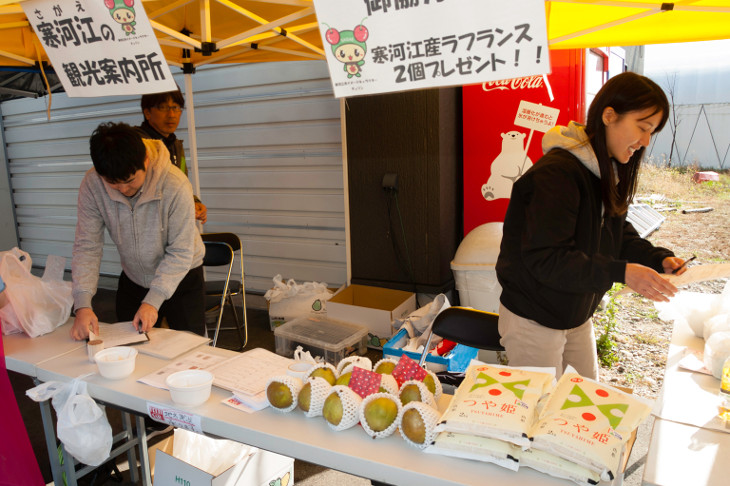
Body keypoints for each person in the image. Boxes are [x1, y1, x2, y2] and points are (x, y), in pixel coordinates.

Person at [495, 72, 688, 380]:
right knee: (541, 413)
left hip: (575, 312)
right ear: (609, 115)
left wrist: (656, 258)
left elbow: (616, 233)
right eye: (643, 127)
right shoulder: (558, 175)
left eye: (652, 132)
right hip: (534, 318)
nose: (646, 141)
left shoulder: (603, 168)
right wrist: (622, 272)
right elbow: (547, 257)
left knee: (582, 402)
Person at [71, 122, 206, 340]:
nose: (123, 190)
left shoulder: (175, 184)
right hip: (133, 278)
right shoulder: (92, 185)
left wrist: (153, 300)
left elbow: (181, 251)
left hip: (182, 277)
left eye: (129, 180)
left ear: (145, 160)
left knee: (190, 349)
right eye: (113, 184)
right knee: (130, 347)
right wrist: (83, 305)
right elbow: (87, 246)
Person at [138, 88, 208, 224]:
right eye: (163, 107)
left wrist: (193, 201)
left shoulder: (175, 144)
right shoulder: (139, 145)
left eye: (175, 107)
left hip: (173, 224)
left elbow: (180, 184)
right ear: (147, 113)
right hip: (149, 226)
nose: (171, 114)